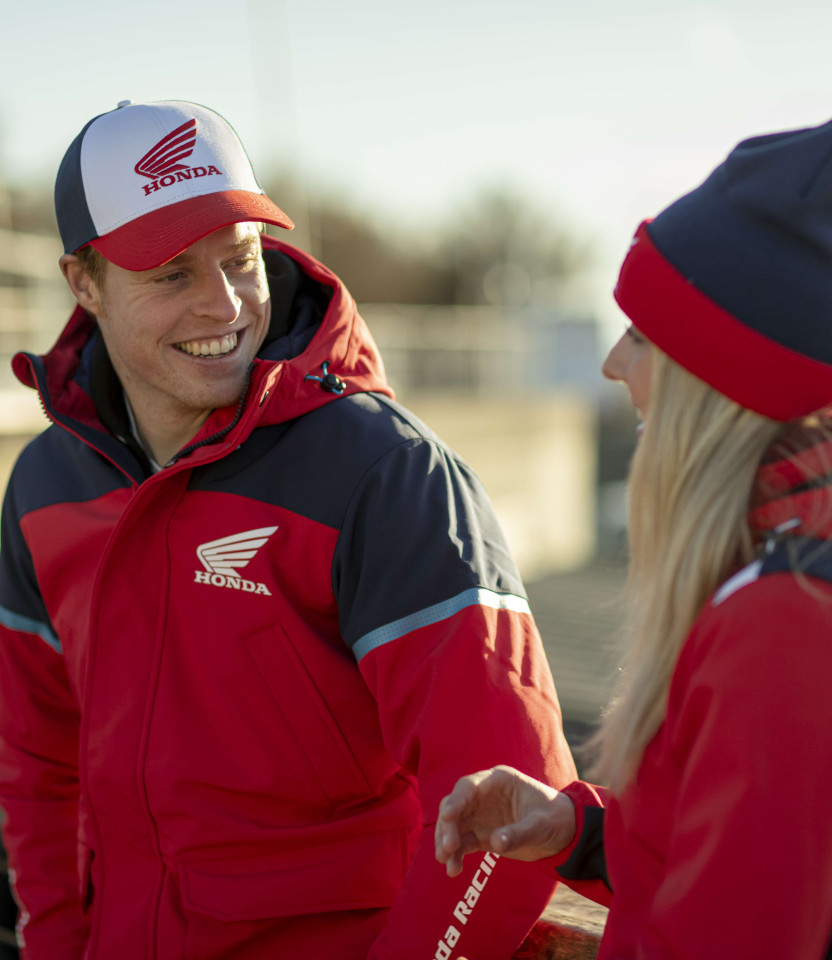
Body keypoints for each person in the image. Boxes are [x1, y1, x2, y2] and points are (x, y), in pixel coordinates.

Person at [0, 99, 580, 960]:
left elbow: (510, 806)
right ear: (84, 282)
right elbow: (36, 767)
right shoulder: (44, 485)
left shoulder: (387, 478)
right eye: (171, 274)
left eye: (242, 259)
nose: (224, 305)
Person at [435, 118, 832, 959]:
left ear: (728, 376)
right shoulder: (787, 574)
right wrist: (579, 831)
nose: (615, 363)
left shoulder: (787, 616)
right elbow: (748, 865)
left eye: (645, 334)